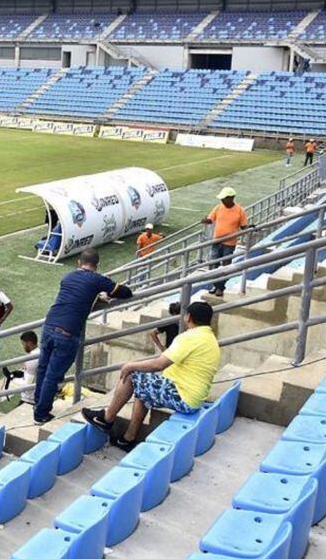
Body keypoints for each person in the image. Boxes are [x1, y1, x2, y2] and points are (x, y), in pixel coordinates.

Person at [82, 302, 221, 451]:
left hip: (183, 397)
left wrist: (130, 365)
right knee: (144, 389)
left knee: (132, 376)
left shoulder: (190, 337)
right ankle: (128, 438)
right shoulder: (211, 339)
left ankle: (106, 418)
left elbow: (158, 365)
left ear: (188, 317)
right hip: (193, 398)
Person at [34, 249, 133, 424]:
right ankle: (41, 414)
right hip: (67, 332)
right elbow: (125, 292)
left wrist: (96, 297)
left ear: (79, 263)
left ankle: (38, 405)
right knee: (52, 375)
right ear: (97, 265)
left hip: (49, 326)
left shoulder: (68, 276)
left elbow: (76, 294)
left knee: (43, 368)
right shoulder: (97, 279)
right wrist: (104, 294)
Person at [201, 187, 250, 297]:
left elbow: (243, 226)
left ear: (231, 198)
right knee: (213, 264)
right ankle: (216, 285)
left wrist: (249, 227)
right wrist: (205, 220)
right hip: (217, 241)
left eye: (224, 199)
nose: (222, 201)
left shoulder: (240, 211)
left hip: (229, 244)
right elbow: (210, 219)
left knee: (226, 266)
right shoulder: (218, 208)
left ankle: (220, 287)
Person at [2, 331, 39, 405]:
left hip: (30, 399)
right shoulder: (41, 352)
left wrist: (12, 378)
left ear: (29, 343)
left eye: (23, 344)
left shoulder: (31, 359)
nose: (23, 346)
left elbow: (27, 385)